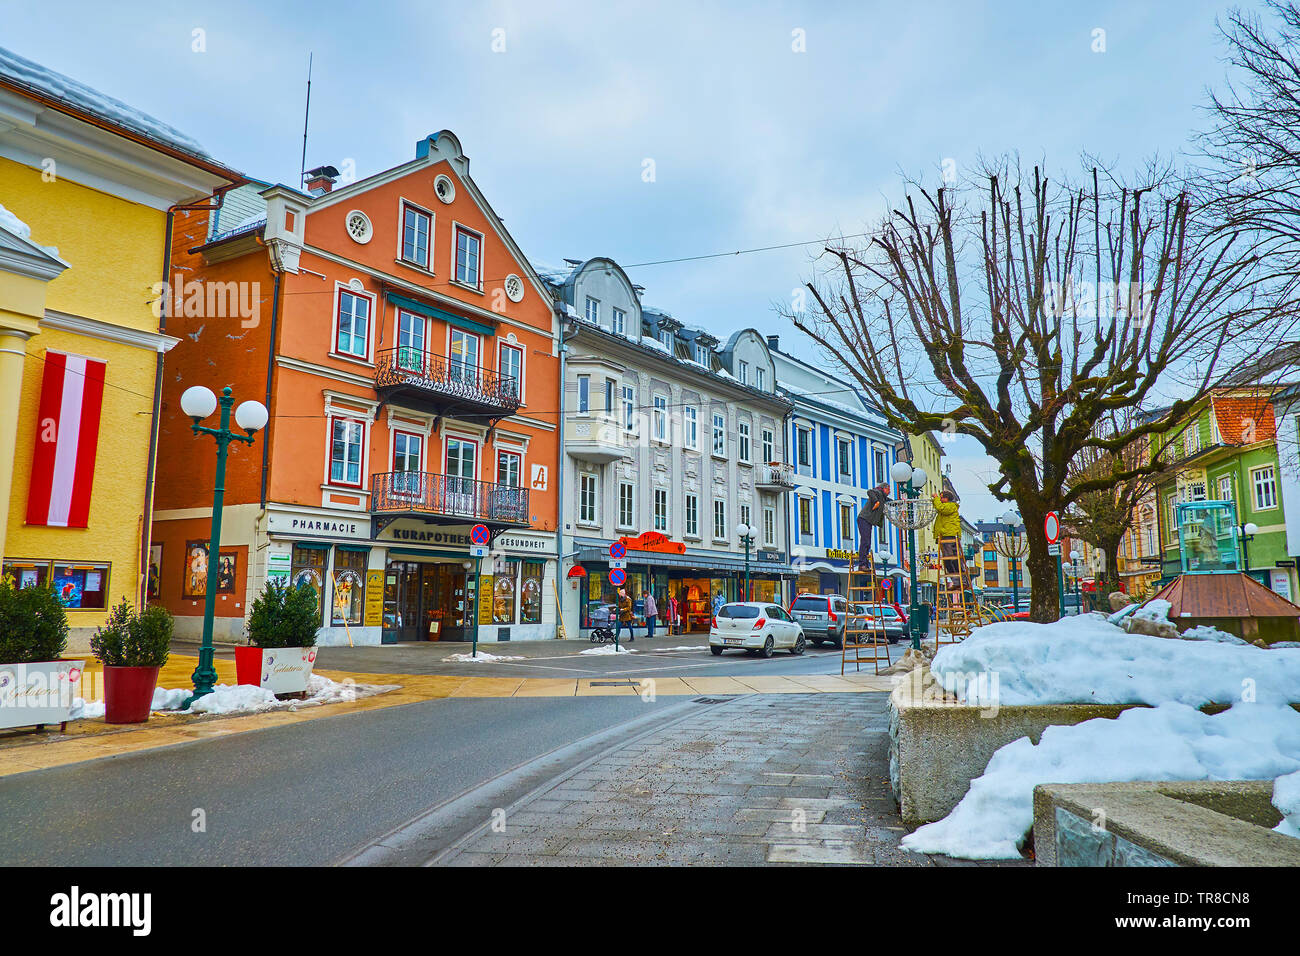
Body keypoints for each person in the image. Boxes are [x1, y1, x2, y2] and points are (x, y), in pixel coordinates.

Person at [857, 482, 891, 570]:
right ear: (884, 488)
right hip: (864, 519)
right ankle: (862, 564)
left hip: (867, 521)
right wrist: (876, 501)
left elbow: (890, 501)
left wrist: (901, 503)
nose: (889, 491)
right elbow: (870, 491)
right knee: (865, 541)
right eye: (888, 489)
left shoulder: (883, 498)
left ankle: (865, 564)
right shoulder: (878, 492)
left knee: (867, 542)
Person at [932, 491, 963, 586]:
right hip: (945, 535)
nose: (940, 500)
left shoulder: (951, 506)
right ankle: (956, 581)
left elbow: (941, 508)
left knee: (952, 559)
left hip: (949, 535)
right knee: (947, 561)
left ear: (946, 498)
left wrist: (936, 498)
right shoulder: (947, 508)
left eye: (941, 498)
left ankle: (962, 580)